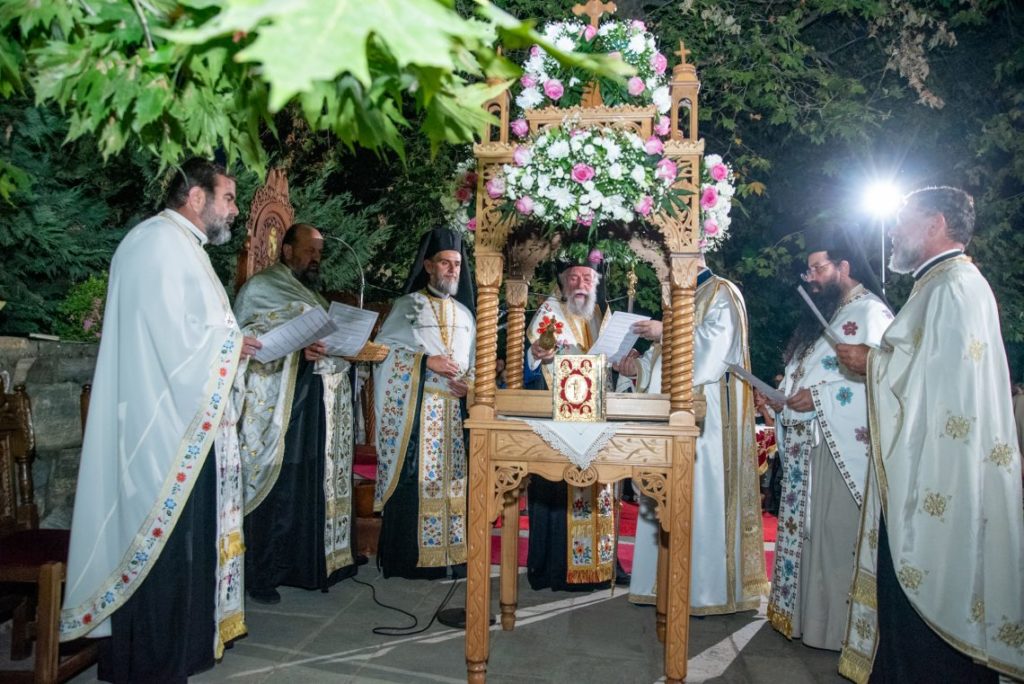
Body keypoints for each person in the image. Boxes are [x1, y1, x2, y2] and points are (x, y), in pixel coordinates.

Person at [59, 158, 261, 683]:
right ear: (197, 197)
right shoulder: (156, 244)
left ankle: (181, 650)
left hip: (183, 426)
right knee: (166, 546)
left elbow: (192, 333)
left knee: (187, 548)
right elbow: (173, 344)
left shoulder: (180, 247)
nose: (234, 211)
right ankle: (151, 659)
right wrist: (233, 345)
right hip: (160, 431)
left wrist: (232, 344)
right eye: (230, 198)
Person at [836, 187, 1023, 682]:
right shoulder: (940, 283)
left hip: (945, 475)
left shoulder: (954, 287)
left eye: (903, 219)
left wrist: (870, 361)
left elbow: (941, 384)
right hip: (930, 464)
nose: (893, 231)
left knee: (930, 607)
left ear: (935, 223)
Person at [617, 256, 767, 613]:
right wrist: (635, 367)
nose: (661, 273)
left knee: (701, 497)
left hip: (709, 420)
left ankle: (704, 591)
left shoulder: (721, 292)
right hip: (671, 415)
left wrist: (664, 331)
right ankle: (661, 584)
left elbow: (715, 351)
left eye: (663, 264)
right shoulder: (681, 300)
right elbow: (661, 361)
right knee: (666, 495)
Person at [765, 234, 893, 651]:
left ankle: (835, 629)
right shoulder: (830, 317)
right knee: (809, 537)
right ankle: (804, 621)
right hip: (808, 446)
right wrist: (782, 398)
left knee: (834, 537)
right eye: (809, 270)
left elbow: (878, 381)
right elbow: (813, 373)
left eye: (818, 268)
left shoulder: (871, 313)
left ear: (845, 266)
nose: (812, 278)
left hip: (838, 449)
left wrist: (816, 398)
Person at [234, 223, 360, 605]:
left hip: (315, 402)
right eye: (309, 250)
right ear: (286, 250)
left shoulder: (309, 292)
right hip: (277, 407)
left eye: (320, 251)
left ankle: (311, 562)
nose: (316, 257)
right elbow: (250, 339)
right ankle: (264, 572)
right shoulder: (261, 287)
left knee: (308, 481)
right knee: (280, 486)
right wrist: (296, 352)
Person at [373, 227, 475, 580]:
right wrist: (424, 362)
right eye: (445, 263)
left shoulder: (465, 314)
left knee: (455, 483)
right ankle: (413, 562)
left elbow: (475, 363)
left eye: (457, 264)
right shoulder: (408, 306)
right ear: (429, 266)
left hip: (454, 413)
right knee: (417, 481)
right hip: (417, 415)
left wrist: (471, 386)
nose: (451, 270)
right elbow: (384, 353)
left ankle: (452, 556)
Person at [523, 256, 618, 591]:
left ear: (596, 282)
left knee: (600, 488)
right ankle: (557, 570)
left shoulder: (598, 315)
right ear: (563, 282)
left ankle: (602, 566)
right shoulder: (550, 312)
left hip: (595, 420)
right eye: (574, 278)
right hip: (558, 422)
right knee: (557, 494)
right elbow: (532, 359)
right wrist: (537, 353)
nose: (581, 284)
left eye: (587, 278)